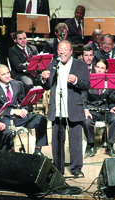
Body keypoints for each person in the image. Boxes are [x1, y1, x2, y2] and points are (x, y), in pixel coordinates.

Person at [41, 40, 90, 177]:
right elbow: (48, 85)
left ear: (71, 51)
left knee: (75, 141)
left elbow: (86, 85)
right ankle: (58, 169)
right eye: (59, 49)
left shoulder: (80, 65)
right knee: (57, 141)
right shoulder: (53, 65)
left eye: (65, 49)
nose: (62, 52)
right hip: (57, 108)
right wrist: (44, 79)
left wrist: (76, 81)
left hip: (74, 108)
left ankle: (76, 168)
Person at [0, 64, 48, 155]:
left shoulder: (17, 84)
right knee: (7, 130)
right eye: (3, 74)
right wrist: (13, 111)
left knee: (41, 119)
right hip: (5, 117)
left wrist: (24, 109)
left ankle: (38, 150)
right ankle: (6, 154)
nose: (7, 76)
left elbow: (22, 101)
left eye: (8, 73)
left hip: (19, 117)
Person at [82, 58, 115, 158]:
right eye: (97, 67)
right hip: (92, 110)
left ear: (106, 70)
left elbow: (112, 100)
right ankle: (91, 144)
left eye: (102, 68)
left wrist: (113, 107)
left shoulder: (110, 82)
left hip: (105, 110)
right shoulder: (87, 80)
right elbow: (83, 98)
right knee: (86, 121)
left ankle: (110, 145)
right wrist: (85, 109)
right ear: (94, 67)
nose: (99, 70)